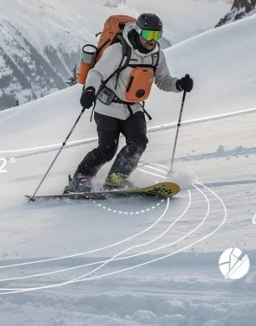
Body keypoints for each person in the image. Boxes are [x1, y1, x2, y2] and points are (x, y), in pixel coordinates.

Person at [66, 13, 193, 193]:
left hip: (133, 107)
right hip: (108, 107)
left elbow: (163, 80)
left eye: (157, 36)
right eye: (149, 35)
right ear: (139, 32)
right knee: (107, 149)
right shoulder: (118, 50)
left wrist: (179, 84)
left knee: (139, 142)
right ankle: (80, 178)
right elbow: (96, 73)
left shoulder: (157, 55)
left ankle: (116, 179)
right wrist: (89, 90)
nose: (152, 41)